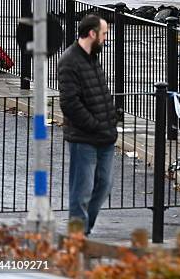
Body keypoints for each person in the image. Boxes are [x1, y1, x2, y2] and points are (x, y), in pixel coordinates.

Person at [58, 14, 118, 236]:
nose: (106, 39)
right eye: (104, 34)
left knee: (104, 185)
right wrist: (95, 125)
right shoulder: (69, 61)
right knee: (81, 191)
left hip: (105, 135)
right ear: (92, 34)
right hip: (84, 138)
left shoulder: (91, 57)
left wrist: (111, 119)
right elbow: (70, 104)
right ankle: (78, 235)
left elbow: (99, 92)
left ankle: (85, 229)